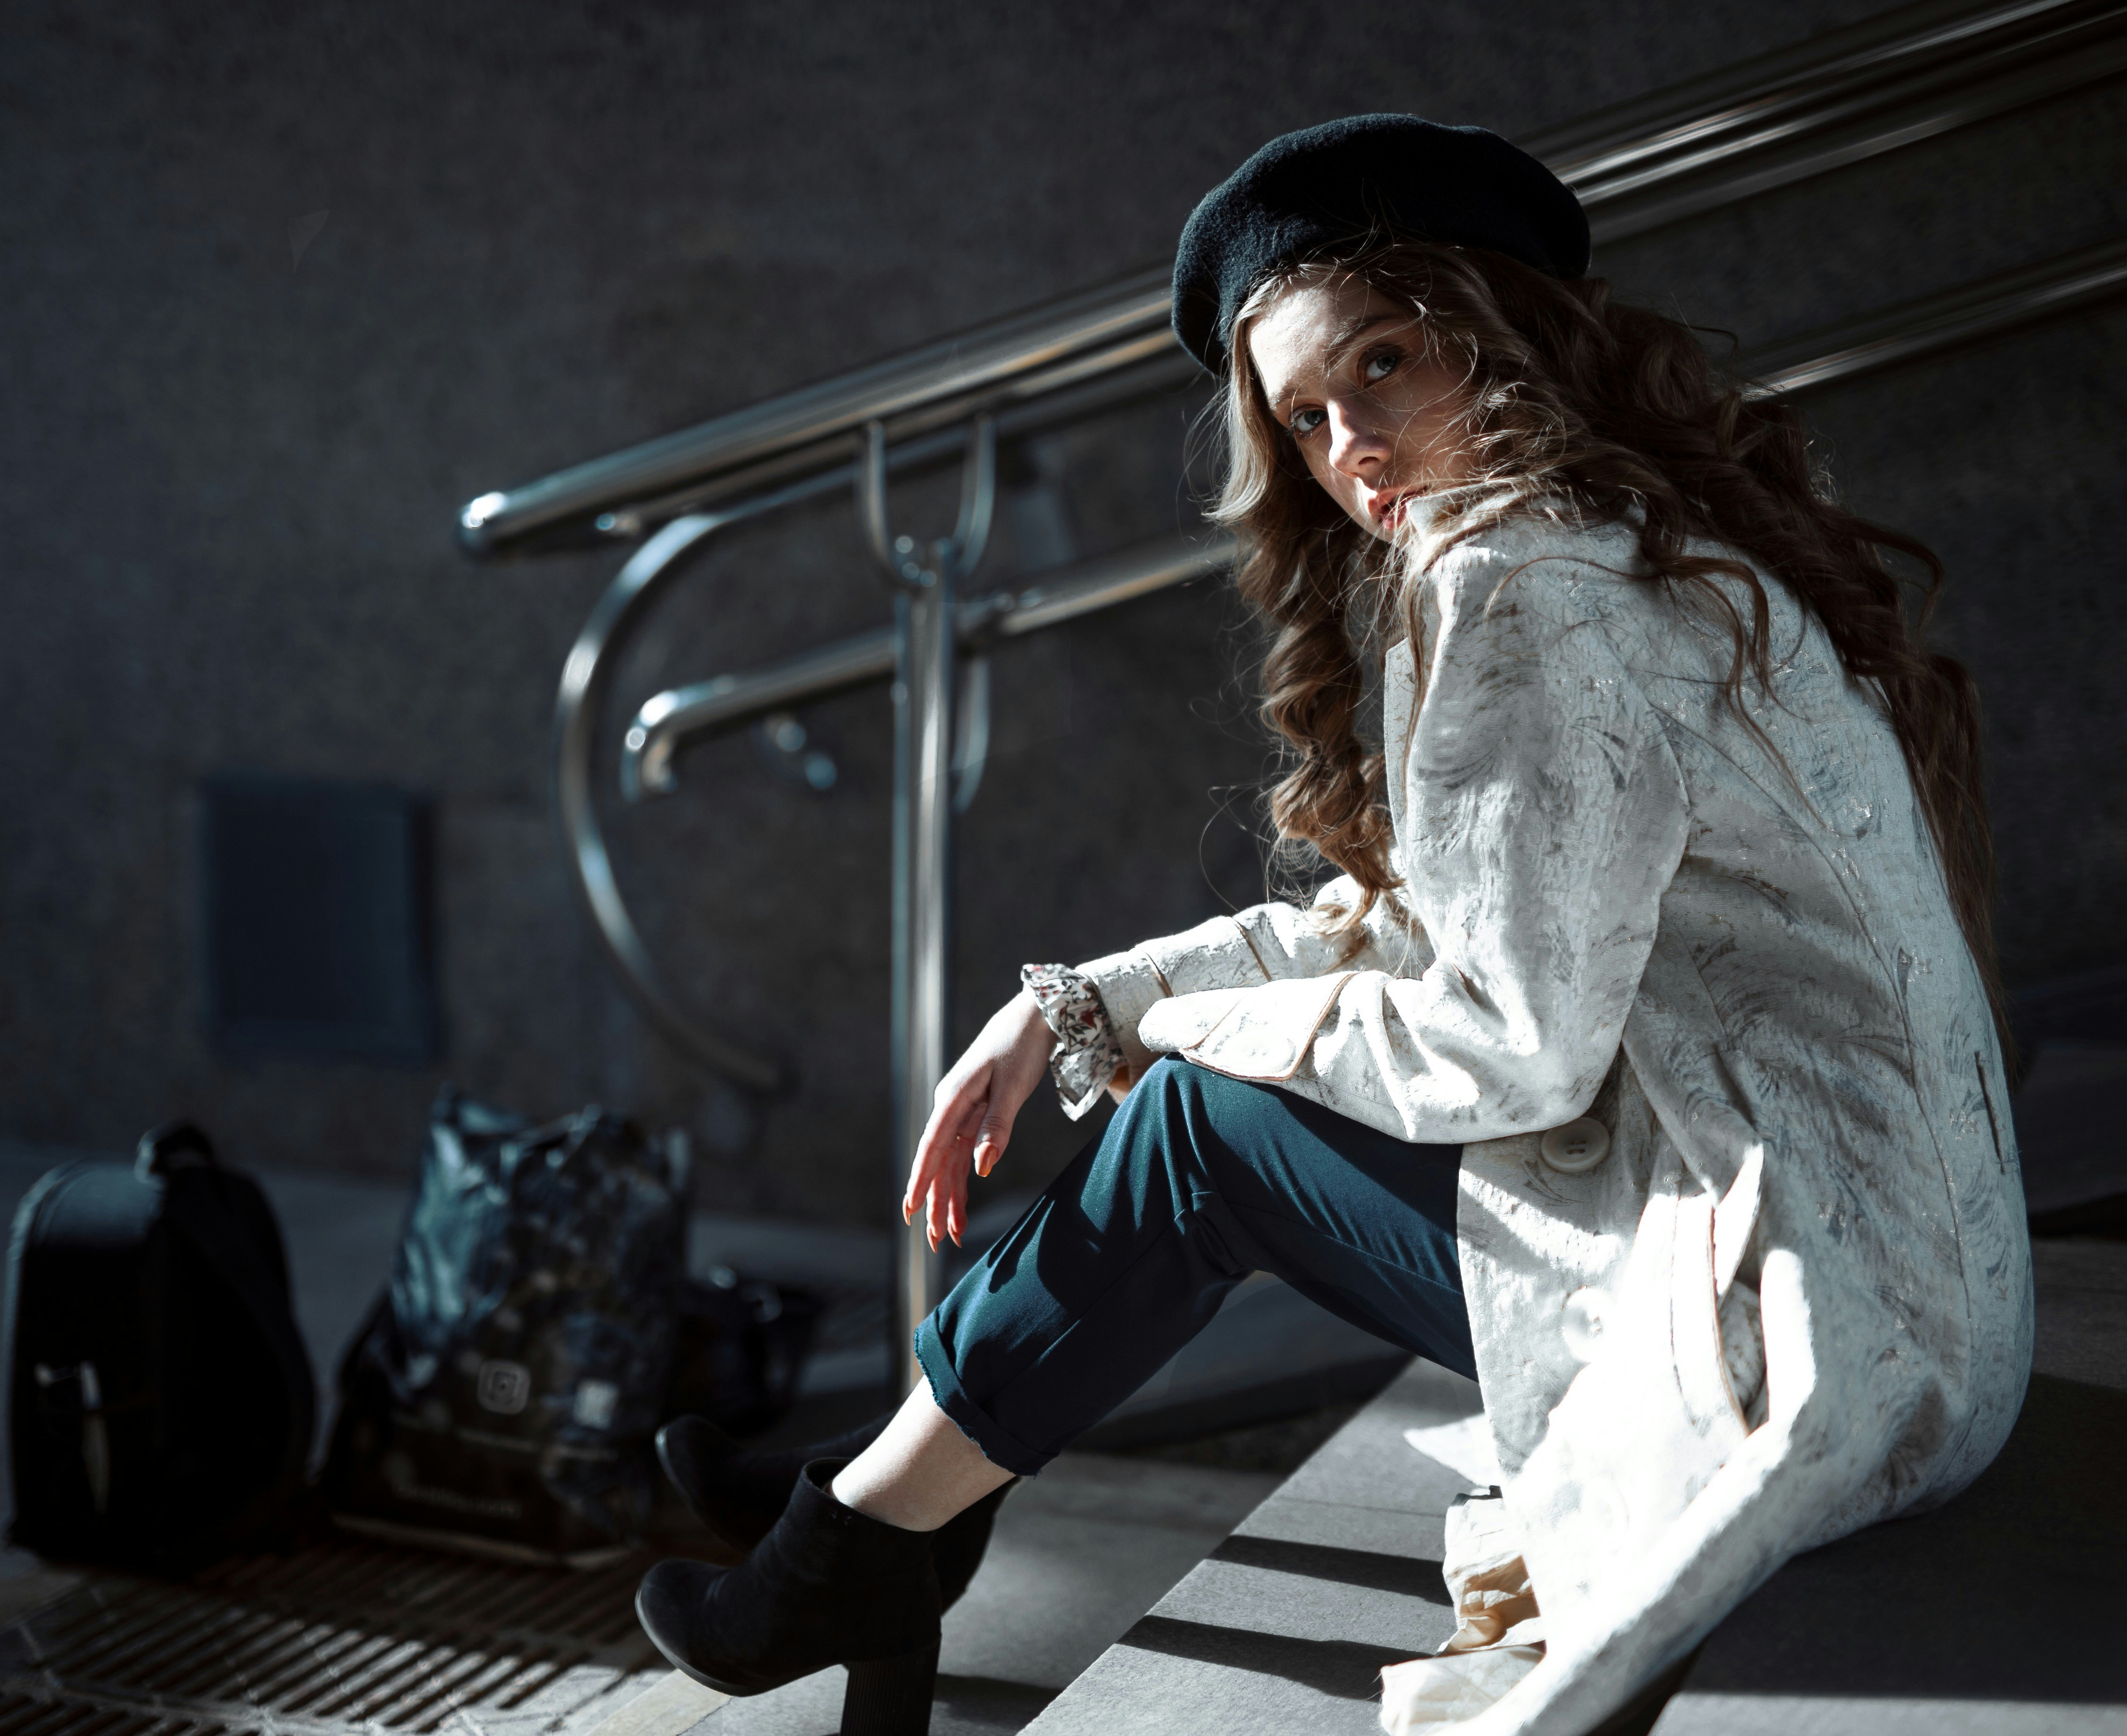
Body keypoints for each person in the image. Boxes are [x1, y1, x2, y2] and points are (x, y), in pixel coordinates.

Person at [636, 114, 2029, 1736]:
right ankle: (889, 1500)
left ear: (1502, 330)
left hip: (1796, 1337)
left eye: (1383, 362)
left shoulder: (1523, 589)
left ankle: (869, 1531)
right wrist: (1079, 1001)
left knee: (1200, 1133)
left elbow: (1502, 1045)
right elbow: (1416, 933)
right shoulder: (1638, 539)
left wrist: (1167, 1027)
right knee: (1196, 1112)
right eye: (1304, 415)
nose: (1350, 441)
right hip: (1904, 1304)